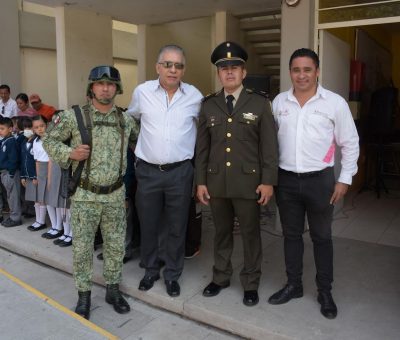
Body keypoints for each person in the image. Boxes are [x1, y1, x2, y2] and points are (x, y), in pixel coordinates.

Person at [267, 48, 359, 319]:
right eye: (296, 70)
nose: (302, 75)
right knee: (291, 236)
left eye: (307, 69)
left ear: (317, 71)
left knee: (322, 237)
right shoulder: (279, 102)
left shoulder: (334, 103)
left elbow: (350, 143)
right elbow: (269, 143)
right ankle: (293, 285)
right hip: (286, 180)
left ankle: (324, 291)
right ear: (290, 72)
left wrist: (344, 179)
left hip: (320, 180)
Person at [42, 65, 139, 320]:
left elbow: (144, 144)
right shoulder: (74, 117)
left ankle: (113, 290)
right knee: (83, 248)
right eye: (100, 83)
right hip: (85, 195)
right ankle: (83, 295)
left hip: (115, 195)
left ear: (117, 88)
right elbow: (49, 140)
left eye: (110, 84)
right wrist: (69, 153)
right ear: (91, 88)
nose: (106, 88)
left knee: (115, 246)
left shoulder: (125, 119)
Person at [196, 41, 278, 307]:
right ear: (218, 73)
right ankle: (220, 277)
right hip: (216, 182)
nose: (229, 72)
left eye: (235, 67)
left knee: (251, 234)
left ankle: (251, 283)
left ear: (244, 72)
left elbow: (269, 147)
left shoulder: (260, 102)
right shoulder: (208, 105)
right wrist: (200, 182)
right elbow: (202, 149)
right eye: (224, 68)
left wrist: (268, 181)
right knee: (221, 232)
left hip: (249, 184)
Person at [127, 44, 203, 297]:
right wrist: (138, 147)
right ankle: (150, 269)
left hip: (180, 172)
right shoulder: (143, 92)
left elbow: (204, 131)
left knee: (176, 225)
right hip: (147, 172)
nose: (173, 70)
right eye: (168, 64)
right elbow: (130, 120)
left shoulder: (195, 96)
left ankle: (172, 273)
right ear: (158, 67)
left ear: (183, 69)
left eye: (178, 65)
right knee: (148, 223)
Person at [0, 117, 22, 227]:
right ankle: (13, 215)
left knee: (13, 196)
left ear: (10, 129)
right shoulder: (4, 141)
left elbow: (13, 159)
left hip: (10, 173)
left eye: (2, 128)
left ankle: (16, 218)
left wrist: (11, 173)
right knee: (9, 195)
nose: (0, 131)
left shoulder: (11, 142)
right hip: (4, 173)